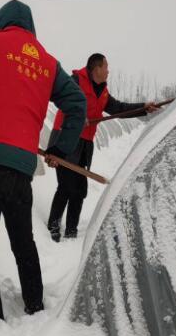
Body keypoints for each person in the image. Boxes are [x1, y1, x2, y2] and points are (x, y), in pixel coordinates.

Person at [0, 0, 86, 321]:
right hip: (21, 171)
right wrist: (59, 149)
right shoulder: (48, 63)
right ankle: (35, 306)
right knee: (23, 243)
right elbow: (77, 104)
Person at [46, 53, 160, 242]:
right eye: (106, 67)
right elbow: (61, 99)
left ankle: (72, 228)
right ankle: (53, 224)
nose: (108, 71)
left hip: (85, 143)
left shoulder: (102, 92)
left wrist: (143, 108)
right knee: (66, 184)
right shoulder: (75, 81)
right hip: (66, 137)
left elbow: (119, 109)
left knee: (80, 187)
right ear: (96, 68)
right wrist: (76, 115)